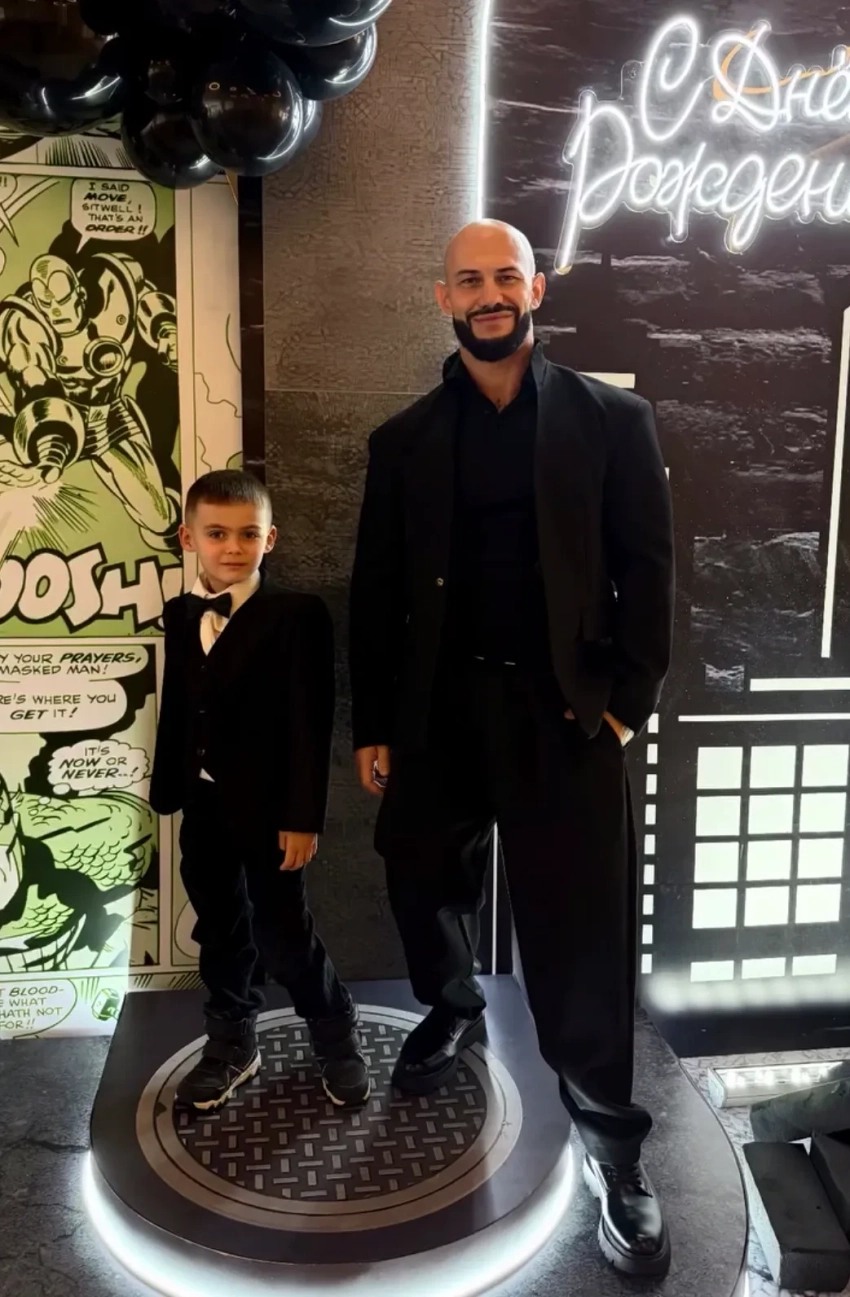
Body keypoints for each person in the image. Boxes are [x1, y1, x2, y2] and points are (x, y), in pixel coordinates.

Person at [349, 222, 674, 1276]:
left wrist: (626, 706)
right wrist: (375, 723)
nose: (489, 294)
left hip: (564, 714)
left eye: (505, 277)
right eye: (469, 280)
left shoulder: (612, 420)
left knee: (581, 931)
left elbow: (648, 571)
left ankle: (611, 1142)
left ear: (534, 288)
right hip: (438, 710)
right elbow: (377, 593)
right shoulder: (402, 440)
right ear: (441, 296)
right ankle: (451, 1007)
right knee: (418, 873)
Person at [151, 469, 369, 1112]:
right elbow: (181, 706)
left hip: (273, 810)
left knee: (284, 932)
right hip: (203, 804)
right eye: (217, 533)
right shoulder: (180, 613)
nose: (233, 547)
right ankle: (231, 1042)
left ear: (270, 539)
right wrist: (173, 784)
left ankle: (335, 1032)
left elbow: (309, 722)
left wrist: (303, 817)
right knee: (219, 928)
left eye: (248, 534)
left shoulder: (297, 615)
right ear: (189, 537)